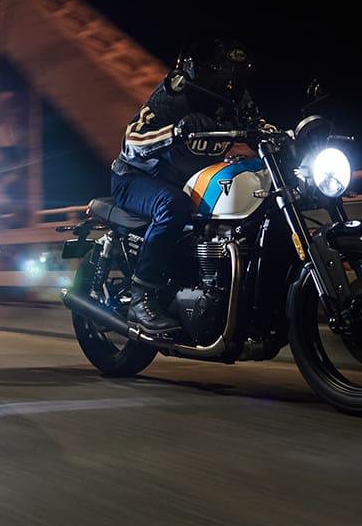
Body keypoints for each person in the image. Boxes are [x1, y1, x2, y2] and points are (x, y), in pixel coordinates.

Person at [109, 37, 271, 333]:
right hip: (135, 178)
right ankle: (140, 297)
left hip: (183, 182)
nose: (227, 80)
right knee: (173, 205)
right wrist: (175, 131)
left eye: (233, 74)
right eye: (220, 71)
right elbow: (131, 141)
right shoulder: (172, 95)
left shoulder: (236, 99)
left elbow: (257, 126)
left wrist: (285, 136)